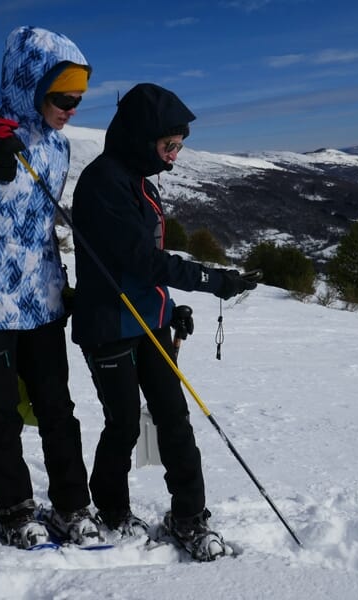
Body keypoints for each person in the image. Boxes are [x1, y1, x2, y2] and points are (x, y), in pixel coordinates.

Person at [70, 82, 257, 561]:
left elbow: (143, 260)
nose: (174, 156)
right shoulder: (103, 183)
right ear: (141, 136)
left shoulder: (137, 181)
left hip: (147, 322)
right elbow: (138, 260)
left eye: (179, 147)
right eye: (168, 145)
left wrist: (171, 310)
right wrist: (210, 279)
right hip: (108, 324)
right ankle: (112, 509)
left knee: (175, 419)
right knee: (124, 424)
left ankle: (189, 517)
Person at [0, 26, 101, 549]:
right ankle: (14, 508)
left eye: (78, 98)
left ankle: (73, 505)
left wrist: (66, 282)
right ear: (29, 84)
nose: (71, 108)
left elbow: (40, 225)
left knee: (57, 408)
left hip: (41, 302)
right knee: (1, 414)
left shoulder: (58, 146)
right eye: (61, 97)